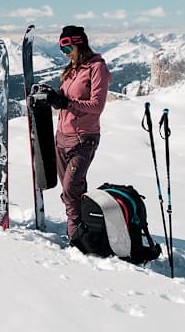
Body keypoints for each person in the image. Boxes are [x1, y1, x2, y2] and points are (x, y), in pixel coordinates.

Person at [39, 25, 111, 239]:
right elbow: (63, 98)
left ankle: (75, 235)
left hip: (83, 139)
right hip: (61, 139)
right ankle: (87, 227)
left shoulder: (97, 68)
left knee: (70, 189)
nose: (65, 54)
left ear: (79, 44)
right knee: (74, 189)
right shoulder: (73, 69)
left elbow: (97, 105)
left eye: (68, 49)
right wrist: (52, 96)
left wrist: (66, 102)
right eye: (62, 50)